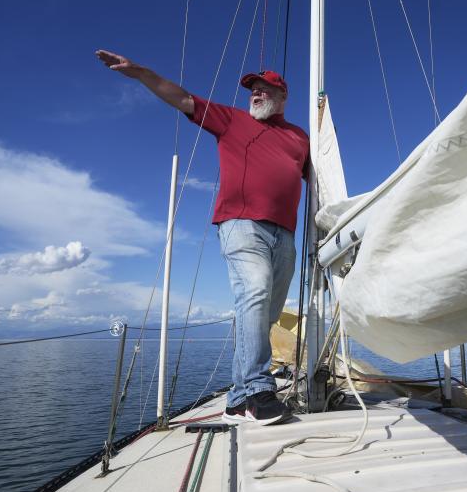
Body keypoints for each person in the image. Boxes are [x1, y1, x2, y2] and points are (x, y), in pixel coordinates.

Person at [96, 49, 309, 426]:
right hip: (242, 225)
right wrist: (142, 72)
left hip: (286, 235)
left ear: (281, 96)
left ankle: (237, 400)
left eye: (263, 90)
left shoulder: (298, 137)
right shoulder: (232, 120)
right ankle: (258, 391)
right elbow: (182, 98)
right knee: (255, 294)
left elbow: (319, 178)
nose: (254, 95)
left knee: (264, 315)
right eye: (252, 91)